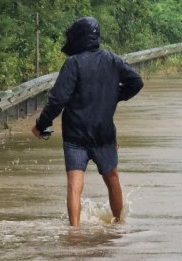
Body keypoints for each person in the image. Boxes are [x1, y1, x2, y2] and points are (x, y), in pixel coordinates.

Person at [31, 17, 144, 226]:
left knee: (74, 185)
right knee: (112, 179)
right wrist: (115, 94)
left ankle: (74, 231)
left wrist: (40, 125)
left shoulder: (73, 63)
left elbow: (58, 100)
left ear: (78, 37)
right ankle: (119, 227)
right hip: (104, 133)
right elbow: (136, 82)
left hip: (75, 135)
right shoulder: (112, 59)